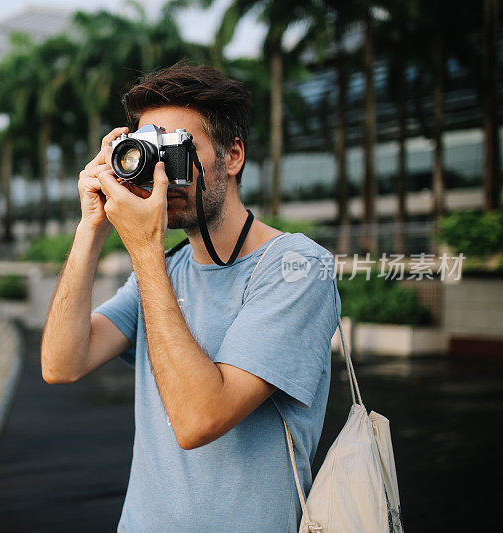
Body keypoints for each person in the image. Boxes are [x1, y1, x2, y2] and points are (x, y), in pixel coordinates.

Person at [40, 64, 341, 532]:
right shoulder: (166, 270)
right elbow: (61, 364)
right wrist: (91, 226)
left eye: (178, 150)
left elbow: (199, 419)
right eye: (148, 151)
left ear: (233, 155)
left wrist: (144, 248)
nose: (161, 173)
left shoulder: (296, 267)